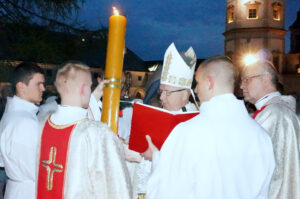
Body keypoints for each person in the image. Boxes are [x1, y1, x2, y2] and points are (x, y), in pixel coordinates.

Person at [143, 56, 275, 199]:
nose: (196, 89)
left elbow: (167, 190)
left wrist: (157, 159)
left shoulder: (187, 132)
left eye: (198, 83)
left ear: (209, 83)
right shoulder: (261, 136)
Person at [36, 61, 132, 199]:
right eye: (90, 86)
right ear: (83, 89)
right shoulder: (95, 133)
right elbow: (115, 187)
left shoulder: (41, 124)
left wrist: (95, 95)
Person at [240, 59, 300, 199]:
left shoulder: (272, 114)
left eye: (247, 79)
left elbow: (251, 167)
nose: (242, 86)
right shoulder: (276, 111)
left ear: (266, 79)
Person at [0, 62, 45, 199]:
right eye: (38, 84)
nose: (43, 88)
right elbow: (35, 168)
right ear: (21, 87)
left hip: (16, 189)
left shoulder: (12, 115)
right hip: (28, 191)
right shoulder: (25, 121)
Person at [159, 43, 198, 112]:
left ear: (184, 95)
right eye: (161, 91)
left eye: (168, 92)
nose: (161, 97)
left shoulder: (194, 121)